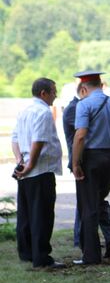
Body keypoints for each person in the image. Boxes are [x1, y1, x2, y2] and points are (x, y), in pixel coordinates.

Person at [72, 71, 110, 265]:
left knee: (88, 207)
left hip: (92, 159)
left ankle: (91, 256)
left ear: (83, 88)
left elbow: (80, 136)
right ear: (101, 84)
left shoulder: (84, 104)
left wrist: (75, 163)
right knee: (98, 201)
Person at [11, 77, 64, 268]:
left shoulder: (24, 110)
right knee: (42, 215)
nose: (55, 96)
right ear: (44, 93)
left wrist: (20, 162)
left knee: (25, 214)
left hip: (24, 170)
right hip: (40, 170)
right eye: (53, 92)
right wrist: (31, 164)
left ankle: (26, 253)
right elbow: (39, 140)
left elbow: (15, 137)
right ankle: (42, 257)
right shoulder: (43, 112)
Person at [62, 82, 110, 248]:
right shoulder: (76, 108)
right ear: (84, 91)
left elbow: (82, 136)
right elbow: (80, 136)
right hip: (85, 160)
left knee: (90, 203)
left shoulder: (82, 106)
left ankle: (88, 244)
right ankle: (104, 239)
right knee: (93, 203)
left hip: (89, 161)